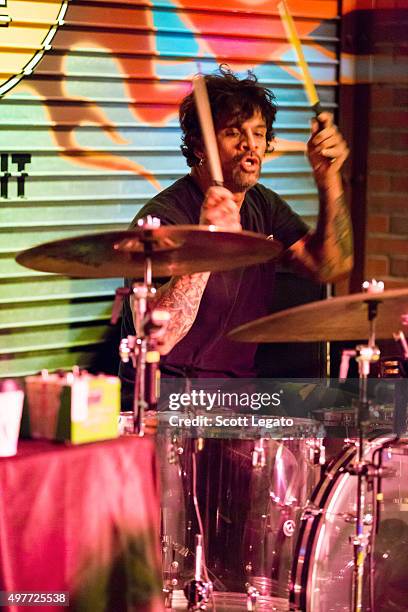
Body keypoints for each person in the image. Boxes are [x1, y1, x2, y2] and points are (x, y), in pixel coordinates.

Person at [119, 65, 352, 399]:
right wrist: (208, 242)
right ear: (199, 146)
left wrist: (328, 179)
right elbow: (160, 337)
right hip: (166, 401)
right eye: (233, 133)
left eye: (258, 133)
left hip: (239, 398)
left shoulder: (265, 207)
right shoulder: (162, 219)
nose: (250, 146)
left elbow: (330, 267)